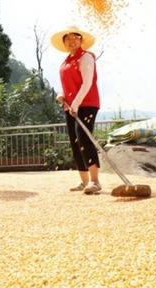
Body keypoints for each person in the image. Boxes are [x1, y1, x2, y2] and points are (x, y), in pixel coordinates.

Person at [51, 26, 102, 194]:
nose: (72, 40)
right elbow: (64, 83)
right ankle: (84, 181)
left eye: (75, 37)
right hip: (71, 106)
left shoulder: (86, 57)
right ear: (64, 42)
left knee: (84, 138)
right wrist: (61, 94)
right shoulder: (66, 61)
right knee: (75, 142)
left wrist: (76, 104)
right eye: (68, 38)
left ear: (81, 40)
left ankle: (95, 181)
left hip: (86, 103)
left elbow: (87, 83)